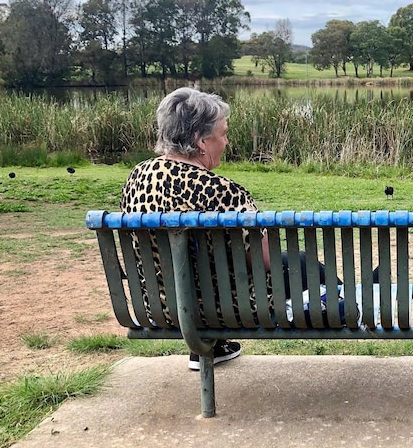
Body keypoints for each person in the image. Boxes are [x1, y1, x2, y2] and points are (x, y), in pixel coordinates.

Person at [121, 87, 333, 370]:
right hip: (223, 307)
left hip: (159, 305)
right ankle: (352, 306)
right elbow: (264, 260)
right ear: (200, 142)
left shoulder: (139, 176)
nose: (227, 141)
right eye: (223, 134)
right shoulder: (221, 191)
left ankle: (210, 348)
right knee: (306, 265)